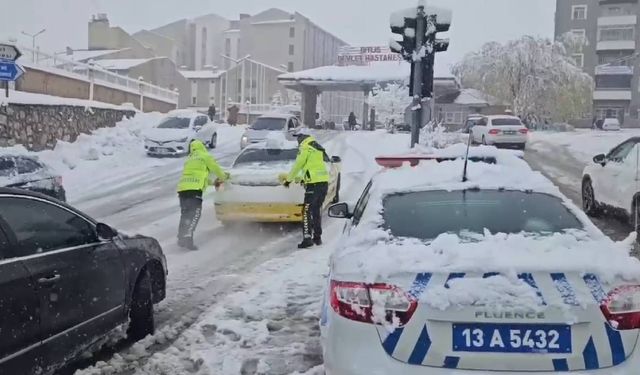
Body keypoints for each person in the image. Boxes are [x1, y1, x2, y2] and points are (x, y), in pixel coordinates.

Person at [176, 139, 229, 250]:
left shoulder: (189, 159)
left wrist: (212, 182)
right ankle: (188, 238)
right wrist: (224, 177)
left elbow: (197, 177)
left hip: (182, 190)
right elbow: (216, 169)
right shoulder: (205, 156)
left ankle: (181, 237)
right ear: (202, 146)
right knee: (195, 213)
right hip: (194, 190)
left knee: (185, 214)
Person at [283, 128, 330, 249]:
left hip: (313, 185)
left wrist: (289, 180)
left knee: (306, 211)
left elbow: (298, 165)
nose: (298, 142)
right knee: (316, 211)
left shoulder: (305, 148)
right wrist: (304, 178)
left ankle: (307, 238)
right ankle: (317, 237)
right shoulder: (317, 147)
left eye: (298, 139)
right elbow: (316, 165)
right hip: (323, 183)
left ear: (302, 138)